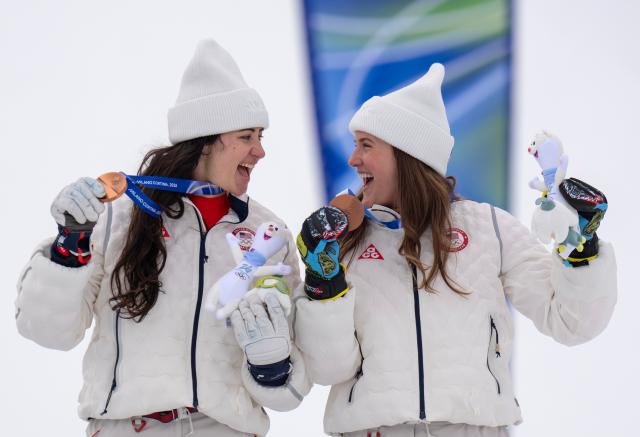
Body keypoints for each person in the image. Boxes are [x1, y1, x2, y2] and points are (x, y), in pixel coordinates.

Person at [294, 63, 616, 437]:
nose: (353, 160)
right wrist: (323, 279)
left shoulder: (489, 229)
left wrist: (581, 248)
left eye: (366, 145)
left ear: (406, 155)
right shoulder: (343, 241)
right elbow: (329, 368)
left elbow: (571, 321)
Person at [15, 39, 310, 437]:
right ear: (205, 141)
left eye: (261, 136)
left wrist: (271, 362)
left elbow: (290, 391)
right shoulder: (120, 217)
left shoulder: (268, 233)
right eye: (246, 136)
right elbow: (47, 331)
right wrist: (71, 244)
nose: (260, 151)